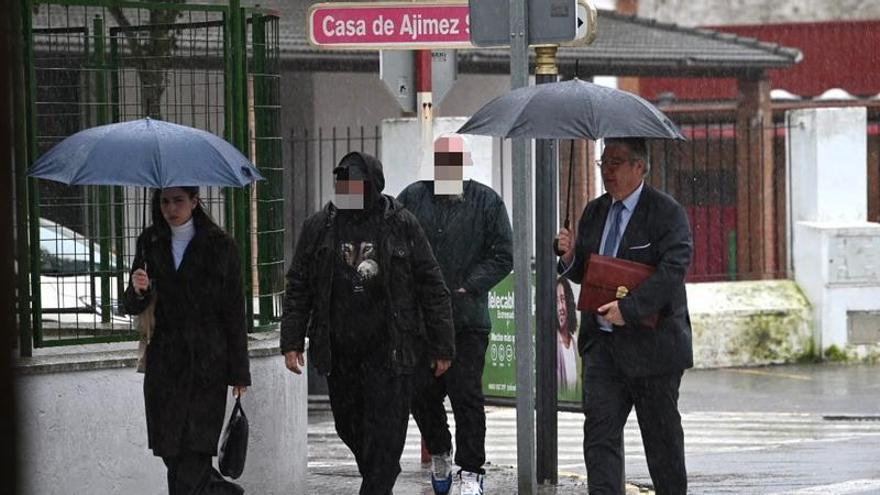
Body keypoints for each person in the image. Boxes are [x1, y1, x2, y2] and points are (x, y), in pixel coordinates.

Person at [280, 151, 456, 495]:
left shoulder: (401, 223)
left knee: (386, 432)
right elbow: (299, 284)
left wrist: (442, 345)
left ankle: (377, 482)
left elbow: (432, 285)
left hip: (389, 351)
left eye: (355, 184)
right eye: (341, 184)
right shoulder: (320, 227)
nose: (346, 191)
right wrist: (291, 340)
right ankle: (381, 472)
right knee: (349, 426)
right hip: (340, 351)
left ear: (372, 187)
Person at [556, 138, 694, 495]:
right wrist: (571, 257)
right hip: (603, 348)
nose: (608, 171)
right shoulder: (595, 211)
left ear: (640, 167)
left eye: (617, 162)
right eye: (604, 162)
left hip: (653, 349)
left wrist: (629, 310)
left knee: (661, 441)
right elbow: (589, 271)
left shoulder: (666, 213)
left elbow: (673, 270)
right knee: (600, 437)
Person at [397, 135, 513, 495]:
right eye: (440, 161)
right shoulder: (413, 198)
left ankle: (471, 469)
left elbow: (502, 254)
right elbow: (395, 244)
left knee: (466, 395)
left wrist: (468, 285)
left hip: (467, 320)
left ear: (465, 165)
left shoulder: (487, 202)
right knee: (420, 392)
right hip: (422, 322)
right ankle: (441, 449)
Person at [123, 186, 251, 495]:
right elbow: (132, 306)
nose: (171, 208)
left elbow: (234, 311)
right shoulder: (150, 242)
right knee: (172, 453)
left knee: (193, 452)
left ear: (195, 202)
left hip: (206, 363)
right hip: (164, 363)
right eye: (165, 201)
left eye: (178, 200)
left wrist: (239, 372)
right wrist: (137, 289)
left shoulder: (221, 246)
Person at [556, 277, 579, 395]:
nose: (560, 308)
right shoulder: (552, 343)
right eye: (556, 301)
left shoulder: (575, 343)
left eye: (563, 299)